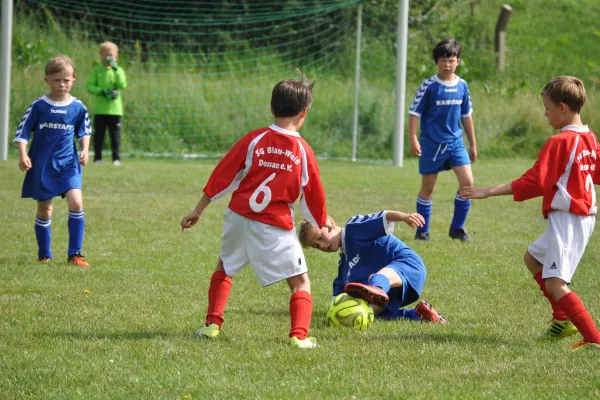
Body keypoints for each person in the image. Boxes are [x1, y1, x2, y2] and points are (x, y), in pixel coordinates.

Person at [180, 73, 334, 349]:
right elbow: (313, 195)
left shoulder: (255, 139)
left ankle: (211, 325)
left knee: (224, 267)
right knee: (300, 282)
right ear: (305, 112)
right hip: (274, 225)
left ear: (272, 108)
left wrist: (198, 210)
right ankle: (299, 336)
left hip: (238, 217)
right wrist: (321, 222)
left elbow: (223, 175)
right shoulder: (303, 151)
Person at [460, 76, 600, 351]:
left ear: (562, 107)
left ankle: (594, 339)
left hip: (570, 218)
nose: (545, 114)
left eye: (547, 108)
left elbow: (536, 182)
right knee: (533, 258)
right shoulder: (589, 136)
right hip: (576, 216)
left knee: (556, 283)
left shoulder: (560, 142)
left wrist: (488, 191)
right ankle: (562, 319)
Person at [299, 210, 447, 325]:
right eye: (317, 246)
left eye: (320, 237)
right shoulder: (344, 268)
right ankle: (418, 314)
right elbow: (338, 301)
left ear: (329, 222)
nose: (323, 245)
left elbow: (384, 216)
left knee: (375, 278)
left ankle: (377, 289)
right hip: (394, 290)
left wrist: (404, 217)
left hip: (408, 265)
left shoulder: (353, 228)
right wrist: (340, 314)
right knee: (365, 312)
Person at [14, 55, 92, 267]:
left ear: (73, 80)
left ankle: (75, 254)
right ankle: (45, 254)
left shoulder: (78, 107)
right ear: (47, 80)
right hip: (42, 165)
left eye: (66, 80)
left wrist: (85, 150)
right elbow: (22, 133)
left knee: (76, 202)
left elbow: (84, 131)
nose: (62, 84)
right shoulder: (39, 105)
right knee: (45, 209)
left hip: (68, 164)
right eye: (57, 80)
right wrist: (23, 154)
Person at [408, 39, 477, 242]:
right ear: (436, 62)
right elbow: (414, 113)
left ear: (458, 62)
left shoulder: (462, 85)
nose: (447, 64)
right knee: (428, 188)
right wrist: (413, 138)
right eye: (443, 60)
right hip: (432, 144)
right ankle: (422, 231)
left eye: (451, 60)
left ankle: (457, 229)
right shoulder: (429, 86)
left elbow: (467, 116)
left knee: (468, 183)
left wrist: (473, 143)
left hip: (456, 143)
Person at [86, 41, 127, 166]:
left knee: (115, 135)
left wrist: (116, 69)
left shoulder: (118, 70)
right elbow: (89, 87)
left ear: (116, 56)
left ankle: (116, 158)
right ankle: (97, 158)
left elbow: (122, 85)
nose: (108, 58)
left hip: (115, 109)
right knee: (99, 135)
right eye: (106, 55)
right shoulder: (97, 70)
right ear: (101, 55)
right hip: (100, 109)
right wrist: (103, 92)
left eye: (111, 55)